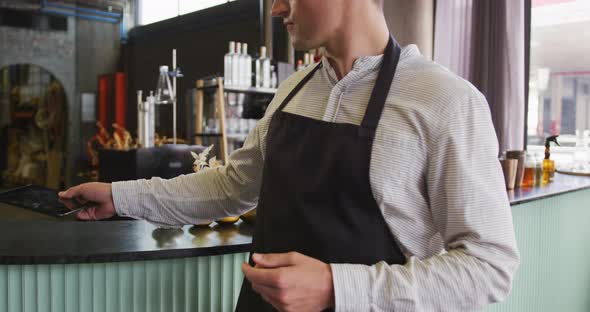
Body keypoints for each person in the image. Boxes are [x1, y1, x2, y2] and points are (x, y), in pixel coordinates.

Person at [60, 0, 520, 310]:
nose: (277, 7)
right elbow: (230, 188)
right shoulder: (293, 90)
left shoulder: (446, 100)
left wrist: (339, 289)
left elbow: (489, 267)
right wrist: (120, 196)